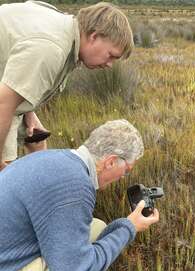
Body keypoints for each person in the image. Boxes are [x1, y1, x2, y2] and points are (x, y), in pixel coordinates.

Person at [0, 119, 159, 271]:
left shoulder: (55, 158)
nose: (124, 177)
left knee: (95, 227)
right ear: (111, 162)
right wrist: (130, 227)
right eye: (126, 170)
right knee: (93, 239)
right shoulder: (74, 186)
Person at [0, 1, 133, 171]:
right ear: (94, 36)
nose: (110, 65)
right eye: (111, 56)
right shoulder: (52, 49)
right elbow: (3, 104)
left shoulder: (65, 30)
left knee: (37, 145)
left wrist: (28, 111)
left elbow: (16, 67)